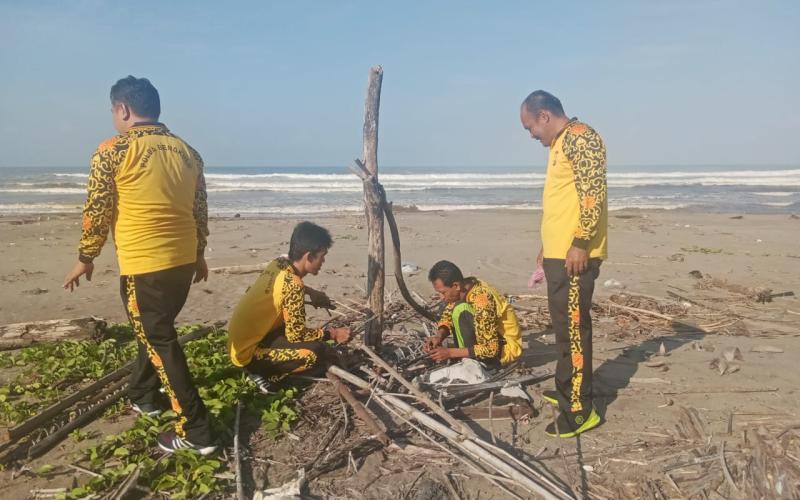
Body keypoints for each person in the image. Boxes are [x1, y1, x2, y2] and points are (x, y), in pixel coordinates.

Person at [63, 76, 216, 454]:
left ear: (124, 110)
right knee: (156, 331)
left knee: (159, 338)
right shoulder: (188, 152)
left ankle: (196, 431)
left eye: (113, 111)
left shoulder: (112, 150)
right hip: (182, 261)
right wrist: (199, 253)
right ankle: (143, 393)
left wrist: (86, 258)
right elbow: (200, 210)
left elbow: (98, 210)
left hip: (145, 265)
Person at [520, 90, 607, 438]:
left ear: (544, 116)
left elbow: (592, 193)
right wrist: (546, 247)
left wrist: (581, 243)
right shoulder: (560, 143)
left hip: (575, 256)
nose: (531, 135)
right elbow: (563, 202)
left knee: (573, 332)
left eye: (530, 127)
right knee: (562, 330)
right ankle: (565, 388)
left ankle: (580, 411)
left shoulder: (581, 137)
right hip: (560, 253)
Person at [227, 222, 351, 392]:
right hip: (247, 354)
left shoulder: (278, 264)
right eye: (322, 256)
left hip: (245, 340)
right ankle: (260, 374)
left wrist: (311, 292)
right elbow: (297, 335)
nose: (323, 261)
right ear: (309, 256)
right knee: (314, 353)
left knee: (304, 337)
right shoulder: (294, 285)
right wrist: (333, 334)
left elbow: (284, 286)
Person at [425, 260, 522, 368]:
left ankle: (478, 363)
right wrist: (439, 336)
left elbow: (491, 349)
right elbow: (448, 314)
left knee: (460, 310)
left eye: (443, 292)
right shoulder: (464, 288)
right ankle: (466, 357)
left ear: (456, 286)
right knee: (452, 308)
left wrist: (450, 353)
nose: (442, 297)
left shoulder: (482, 299)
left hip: (503, 351)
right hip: (491, 346)